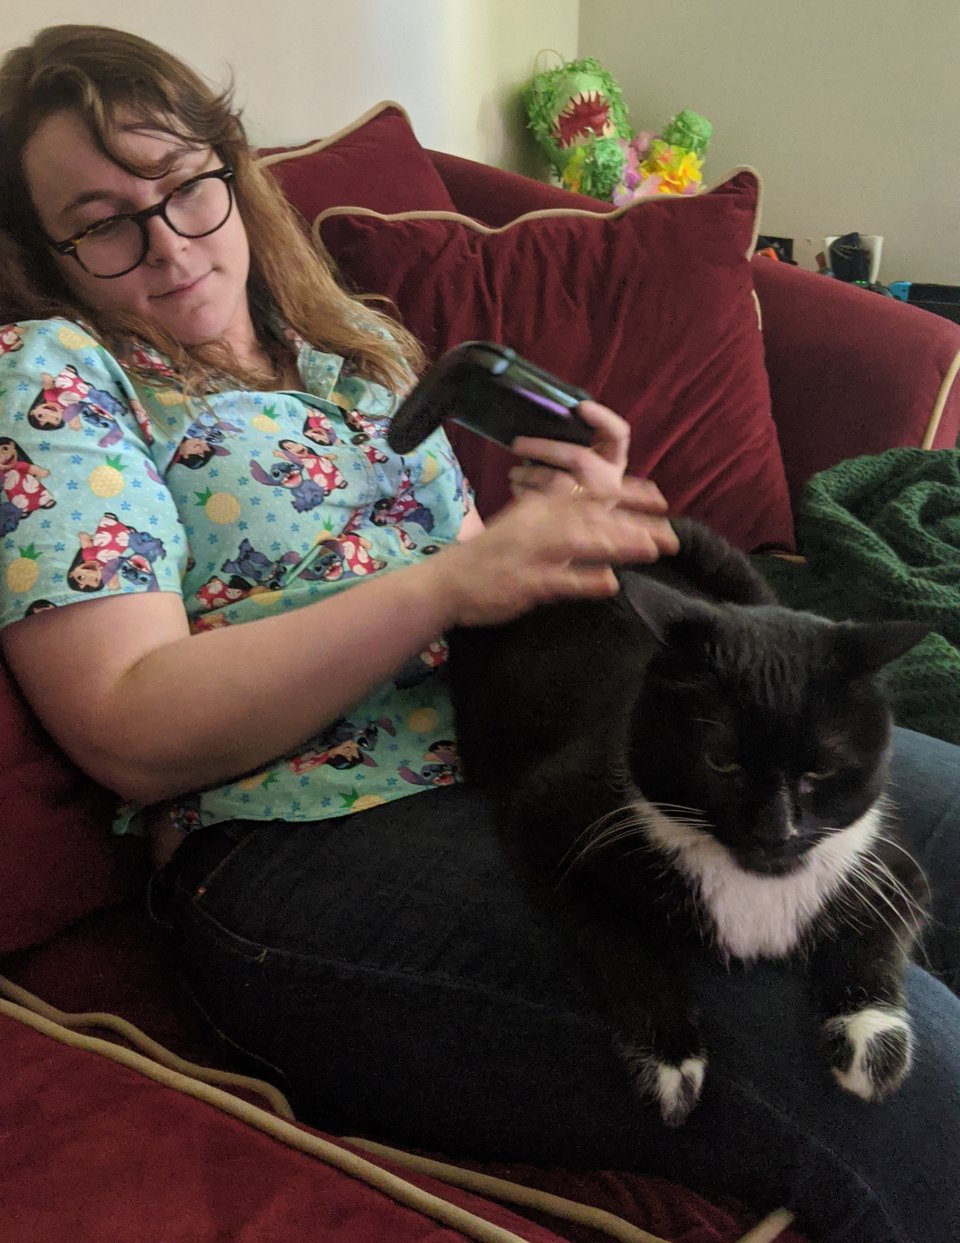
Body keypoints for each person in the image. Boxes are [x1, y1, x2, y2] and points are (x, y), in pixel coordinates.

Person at [0, 25, 958, 1243]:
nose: (173, 241)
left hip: (523, 754)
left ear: (231, 169)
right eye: (102, 219)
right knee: (905, 1082)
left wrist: (558, 524)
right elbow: (128, 723)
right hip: (302, 850)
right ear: (45, 252)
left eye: (188, 184)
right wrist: (452, 583)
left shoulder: (343, 339)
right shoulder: (57, 377)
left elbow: (453, 580)